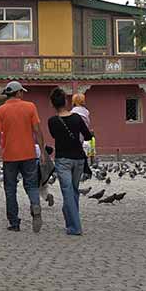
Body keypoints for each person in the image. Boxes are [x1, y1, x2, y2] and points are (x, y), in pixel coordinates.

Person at [0, 81, 44, 233]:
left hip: (9, 156)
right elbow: (37, 130)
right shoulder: (30, 107)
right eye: (22, 92)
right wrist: (42, 151)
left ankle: (14, 222)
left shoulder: (0, 111)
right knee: (32, 185)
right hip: (29, 154)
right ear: (18, 92)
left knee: (10, 189)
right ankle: (35, 205)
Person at [48, 87, 92, 236]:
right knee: (73, 191)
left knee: (68, 192)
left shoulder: (52, 121)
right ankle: (70, 221)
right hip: (78, 159)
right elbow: (87, 136)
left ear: (52, 104)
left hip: (63, 159)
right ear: (66, 102)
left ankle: (75, 226)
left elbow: (55, 136)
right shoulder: (77, 118)